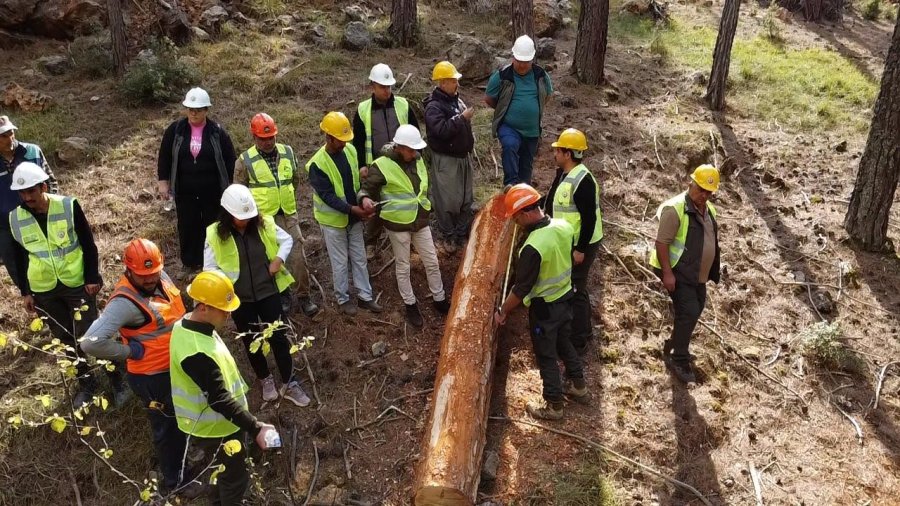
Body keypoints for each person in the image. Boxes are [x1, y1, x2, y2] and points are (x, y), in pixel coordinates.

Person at [81, 239, 198, 497]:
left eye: (154, 273)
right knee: (166, 428)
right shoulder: (124, 303)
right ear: (129, 270)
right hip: (152, 376)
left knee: (181, 418)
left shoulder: (160, 276)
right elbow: (90, 343)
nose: (150, 280)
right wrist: (129, 352)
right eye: (143, 275)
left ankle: (186, 458)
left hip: (175, 366)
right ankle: (175, 481)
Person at [8, 162, 126, 407]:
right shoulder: (15, 218)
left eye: (31, 190)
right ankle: (86, 384)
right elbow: (19, 257)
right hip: (44, 289)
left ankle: (117, 379)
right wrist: (25, 292)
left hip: (76, 284)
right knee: (65, 338)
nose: (27, 197)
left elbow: (87, 243)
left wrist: (92, 277)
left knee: (92, 335)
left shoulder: (67, 206)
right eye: (22, 192)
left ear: (43, 186)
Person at [169, 270, 280, 505]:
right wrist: (255, 427)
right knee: (235, 480)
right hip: (216, 428)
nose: (229, 315)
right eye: (223, 310)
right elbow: (219, 399)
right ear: (203, 307)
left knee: (221, 475)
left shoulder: (187, 325)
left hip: (213, 425)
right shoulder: (196, 352)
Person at [203, 184, 311, 407]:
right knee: (251, 339)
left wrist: (279, 259)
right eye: (240, 217)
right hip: (240, 299)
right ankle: (265, 379)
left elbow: (287, 240)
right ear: (228, 214)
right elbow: (209, 268)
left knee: (279, 337)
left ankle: (290, 383)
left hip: (268, 292)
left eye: (248, 216)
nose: (245, 221)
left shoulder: (264, 224)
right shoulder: (214, 233)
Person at [494, 184, 587, 420]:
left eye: (516, 218)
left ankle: (554, 405)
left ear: (525, 213)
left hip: (545, 309)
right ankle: (579, 385)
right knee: (564, 342)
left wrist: (502, 310)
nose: (515, 223)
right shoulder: (564, 226)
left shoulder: (532, 247)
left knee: (546, 355)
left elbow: (521, 288)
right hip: (566, 297)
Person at [360, 125, 450, 328]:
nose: (415, 153)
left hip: (420, 220)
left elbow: (423, 188)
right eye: (411, 149)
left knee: (432, 261)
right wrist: (364, 199)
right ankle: (410, 304)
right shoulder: (381, 165)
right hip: (397, 224)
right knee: (403, 265)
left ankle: (440, 299)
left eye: (416, 149)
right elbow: (366, 189)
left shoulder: (417, 160)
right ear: (399, 147)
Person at [234, 113, 319, 318]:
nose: (268, 142)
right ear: (254, 138)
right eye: (263, 139)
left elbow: (295, 180)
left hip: (289, 213)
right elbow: (239, 192)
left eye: (271, 137)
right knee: (272, 257)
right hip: (263, 218)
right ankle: (283, 295)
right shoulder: (245, 161)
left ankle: (304, 296)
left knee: (298, 255)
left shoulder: (288, 152)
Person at [649, 165, 721, 384]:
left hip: (695, 273)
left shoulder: (709, 210)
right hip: (676, 270)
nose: (704, 195)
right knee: (688, 310)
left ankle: (673, 344)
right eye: (701, 189)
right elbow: (662, 243)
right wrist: (668, 274)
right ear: (691, 183)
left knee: (697, 307)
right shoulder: (675, 209)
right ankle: (678, 358)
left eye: (709, 192)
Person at [305, 112, 382, 316]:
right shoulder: (317, 165)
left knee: (359, 257)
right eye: (340, 140)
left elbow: (355, 183)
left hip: (353, 217)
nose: (344, 144)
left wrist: (363, 199)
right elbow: (328, 196)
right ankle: (343, 298)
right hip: (333, 222)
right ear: (329, 137)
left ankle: (365, 296)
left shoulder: (350, 151)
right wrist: (353, 209)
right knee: (339, 262)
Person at [157, 87, 236, 272]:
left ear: (206, 110)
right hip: (185, 191)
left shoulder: (217, 132)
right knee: (187, 225)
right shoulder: (175, 130)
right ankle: (190, 263)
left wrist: (231, 186)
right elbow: (164, 157)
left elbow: (230, 159)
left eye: (198, 110)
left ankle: (213, 263)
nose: (194, 113)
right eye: (190, 109)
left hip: (213, 191)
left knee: (213, 226)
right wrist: (163, 182)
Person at [353, 63, 421, 260]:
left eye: (389, 86)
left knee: (408, 199)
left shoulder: (403, 105)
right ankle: (371, 242)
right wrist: (361, 166)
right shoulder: (363, 109)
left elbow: (415, 131)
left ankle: (411, 240)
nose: (386, 90)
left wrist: (416, 156)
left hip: (403, 162)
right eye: (382, 87)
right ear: (372, 86)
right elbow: (358, 141)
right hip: (377, 165)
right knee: (376, 204)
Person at [543, 128, 603, 353]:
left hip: (583, 243)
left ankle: (579, 339)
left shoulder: (583, 179)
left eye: (558, 150)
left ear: (568, 154)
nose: (554, 153)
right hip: (569, 241)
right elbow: (552, 201)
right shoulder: (563, 174)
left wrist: (580, 249)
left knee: (576, 287)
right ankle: (579, 330)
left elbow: (589, 218)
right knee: (574, 286)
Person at [484, 35, 553, 186]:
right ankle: (511, 184)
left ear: (532, 59)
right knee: (510, 145)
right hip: (509, 126)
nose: (522, 65)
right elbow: (489, 98)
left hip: (532, 130)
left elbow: (548, 94)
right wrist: (505, 109)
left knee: (526, 165)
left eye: (526, 62)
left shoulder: (540, 75)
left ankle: (523, 195)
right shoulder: (503, 75)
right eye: (519, 61)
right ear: (513, 57)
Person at [0, 115, 59, 291]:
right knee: (14, 263)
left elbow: (51, 182)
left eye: (11, 132)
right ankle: (30, 296)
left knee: (46, 258)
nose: (9, 138)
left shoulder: (32, 151)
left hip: (38, 218)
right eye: (3, 135)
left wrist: (49, 206)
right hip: (5, 225)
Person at [423, 61, 476, 254]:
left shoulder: (456, 101)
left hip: (463, 158)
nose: (457, 84)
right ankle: (448, 235)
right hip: (446, 160)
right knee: (447, 201)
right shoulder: (433, 107)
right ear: (443, 83)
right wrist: (461, 119)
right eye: (454, 81)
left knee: (465, 198)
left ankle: (461, 234)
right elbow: (441, 130)